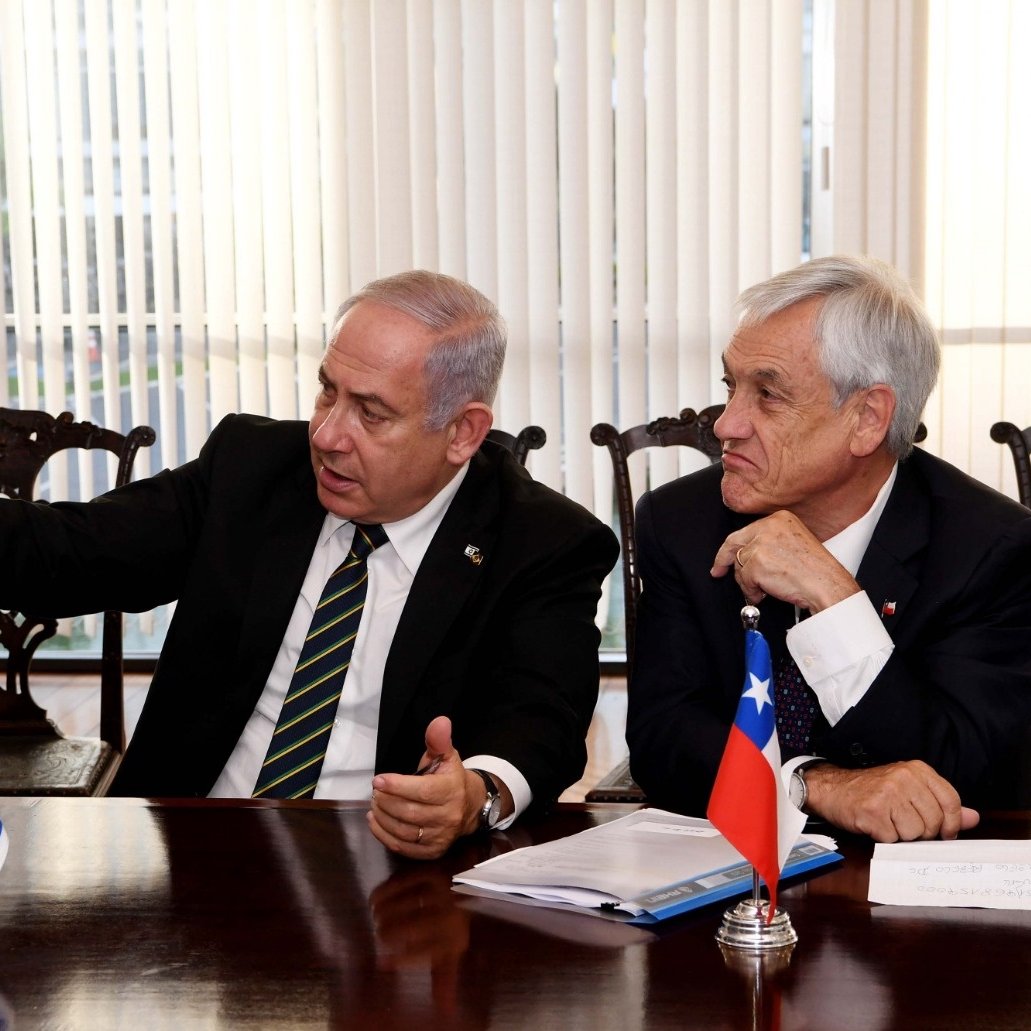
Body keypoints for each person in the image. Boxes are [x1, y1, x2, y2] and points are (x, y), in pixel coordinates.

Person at [0, 270, 619, 859]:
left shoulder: (543, 541)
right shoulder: (252, 468)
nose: (326, 434)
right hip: (189, 845)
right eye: (328, 389)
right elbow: (68, 552)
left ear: (462, 432)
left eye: (370, 413)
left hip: (388, 874)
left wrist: (474, 795)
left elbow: (542, 721)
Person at [627, 255, 1031, 843]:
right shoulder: (680, 522)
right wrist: (814, 785)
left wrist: (837, 600)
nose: (724, 424)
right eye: (730, 387)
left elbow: (961, 778)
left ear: (868, 419)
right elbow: (662, 741)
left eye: (767, 394)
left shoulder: (989, 549)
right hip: (732, 880)